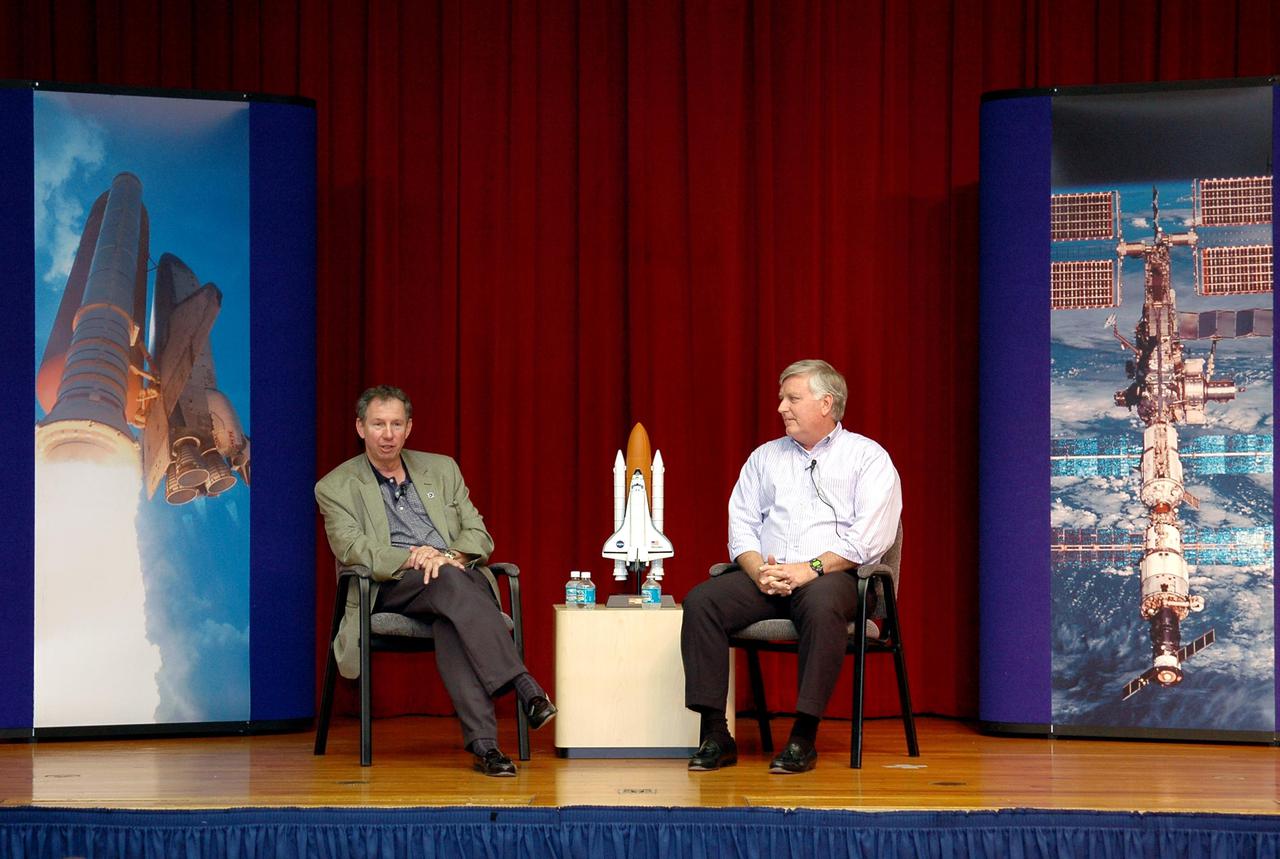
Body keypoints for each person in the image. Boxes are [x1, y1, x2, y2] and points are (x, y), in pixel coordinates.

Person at [315, 385, 556, 777]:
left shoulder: (442, 469)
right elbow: (356, 550)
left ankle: (487, 748)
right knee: (448, 582)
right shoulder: (334, 487)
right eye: (378, 424)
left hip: (453, 579)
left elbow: (479, 535)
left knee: (450, 617)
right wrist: (417, 556)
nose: (388, 434)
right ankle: (526, 687)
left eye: (396, 424)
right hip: (392, 584)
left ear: (409, 428)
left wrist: (446, 556)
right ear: (361, 427)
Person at [680, 359, 902, 774]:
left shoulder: (868, 459)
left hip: (837, 578)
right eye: (782, 398)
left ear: (826, 404)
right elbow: (741, 528)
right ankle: (715, 734)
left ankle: (802, 737)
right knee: (702, 601)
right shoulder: (765, 458)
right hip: (768, 576)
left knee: (820, 602)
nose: (781, 406)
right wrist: (756, 569)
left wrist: (810, 568)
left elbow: (870, 540)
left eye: (792, 398)